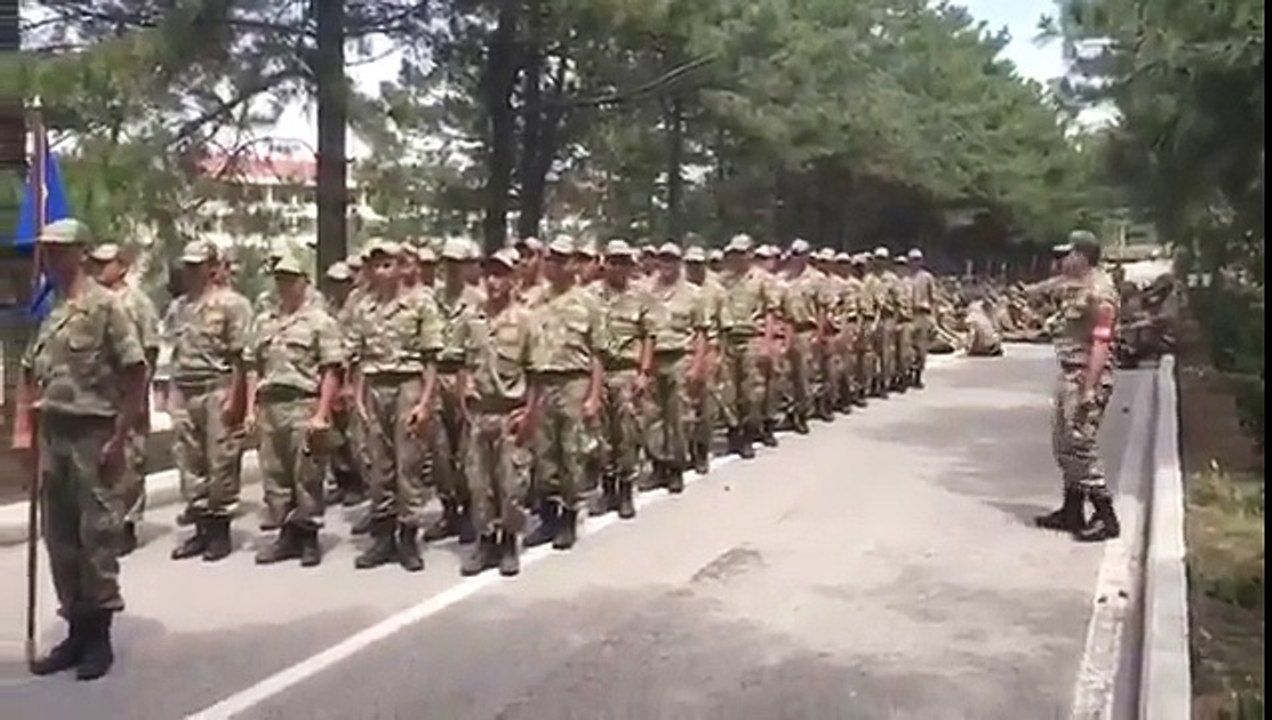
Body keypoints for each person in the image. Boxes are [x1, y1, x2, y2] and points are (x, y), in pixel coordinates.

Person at [18, 218, 148, 680]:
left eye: (57, 250)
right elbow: (31, 373)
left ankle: (99, 639)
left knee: (97, 538)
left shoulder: (107, 308)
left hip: (94, 435)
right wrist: (25, 431)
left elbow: (136, 373)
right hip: (54, 436)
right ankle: (74, 631)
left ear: (80, 253)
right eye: (46, 251)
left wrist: (120, 437)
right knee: (60, 540)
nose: (49, 259)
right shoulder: (51, 313)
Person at [244, 247, 345, 567]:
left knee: (307, 473)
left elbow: (331, 369)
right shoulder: (263, 321)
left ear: (304, 281)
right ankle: (286, 533)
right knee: (275, 474)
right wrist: (249, 409)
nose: (284, 285)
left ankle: (308, 535)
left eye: (290, 279)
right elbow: (252, 367)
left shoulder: (320, 322)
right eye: (279, 279)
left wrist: (322, 413)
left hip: (303, 403)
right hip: (270, 404)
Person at [347, 241, 443, 572]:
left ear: (401, 268)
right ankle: (383, 536)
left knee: (408, 464)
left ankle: (407, 536)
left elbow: (431, 358)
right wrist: (357, 396)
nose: (380, 271)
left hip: (407, 385)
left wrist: (426, 401)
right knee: (379, 465)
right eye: (375, 266)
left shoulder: (420, 304)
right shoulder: (363, 307)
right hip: (375, 387)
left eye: (387, 264)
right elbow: (357, 358)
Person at [168, 240, 253, 562]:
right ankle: (201, 528)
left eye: (197, 265)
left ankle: (219, 530)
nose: (190, 272)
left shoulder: (233, 305)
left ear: (213, 267)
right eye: (187, 266)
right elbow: (176, 356)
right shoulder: (178, 308)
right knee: (190, 464)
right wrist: (173, 398)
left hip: (217, 389)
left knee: (221, 461)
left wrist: (237, 399)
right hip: (186, 392)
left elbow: (241, 359)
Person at [1035, 231, 1122, 542]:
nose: (1062, 260)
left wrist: (1089, 388)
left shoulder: (1101, 292)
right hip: (1070, 373)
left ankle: (1106, 515)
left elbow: (1101, 343)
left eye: (1067, 254)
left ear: (1083, 256)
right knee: (1064, 444)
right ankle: (1072, 509)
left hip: (1087, 375)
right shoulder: (1078, 287)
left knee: (1080, 443)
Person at [524, 235, 605, 550]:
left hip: (574, 382)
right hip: (542, 383)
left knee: (572, 452)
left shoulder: (588, 302)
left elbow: (598, 353)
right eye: (551, 258)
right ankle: (548, 516)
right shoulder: (534, 301)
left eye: (562, 259)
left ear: (574, 264)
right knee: (543, 453)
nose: (554, 265)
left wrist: (594, 396)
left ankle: (570, 517)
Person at [459, 249, 536, 576]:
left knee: (511, 486)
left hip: (510, 414)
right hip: (480, 414)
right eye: (489, 274)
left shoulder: (525, 320)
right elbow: (461, 363)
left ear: (513, 280)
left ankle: (508, 542)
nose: (494, 282)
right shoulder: (471, 320)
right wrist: (463, 393)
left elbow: (537, 374)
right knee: (479, 485)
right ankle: (485, 539)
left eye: (501, 275)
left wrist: (531, 415)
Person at [87, 243, 161, 557]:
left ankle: (128, 522)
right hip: (98, 394)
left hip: (128, 391)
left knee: (132, 458)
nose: (100, 268)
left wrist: (142, 394)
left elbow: (150, 350)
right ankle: (105, 521)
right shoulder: (91, 302)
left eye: (106, 263)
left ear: (123, 266)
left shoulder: (137, 303)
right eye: (96, 263)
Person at [645, 242, 710, 491]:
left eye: (672, 260)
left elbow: (701, 332)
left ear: (679, 263)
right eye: (663, 260)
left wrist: (697, 364)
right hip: (653, 358)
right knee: (652, 416)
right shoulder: (646, 291)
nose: (667, 265)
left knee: (679, 417)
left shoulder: (693, 293)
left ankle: (676, 467)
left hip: (680, 356)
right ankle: (657, 464)